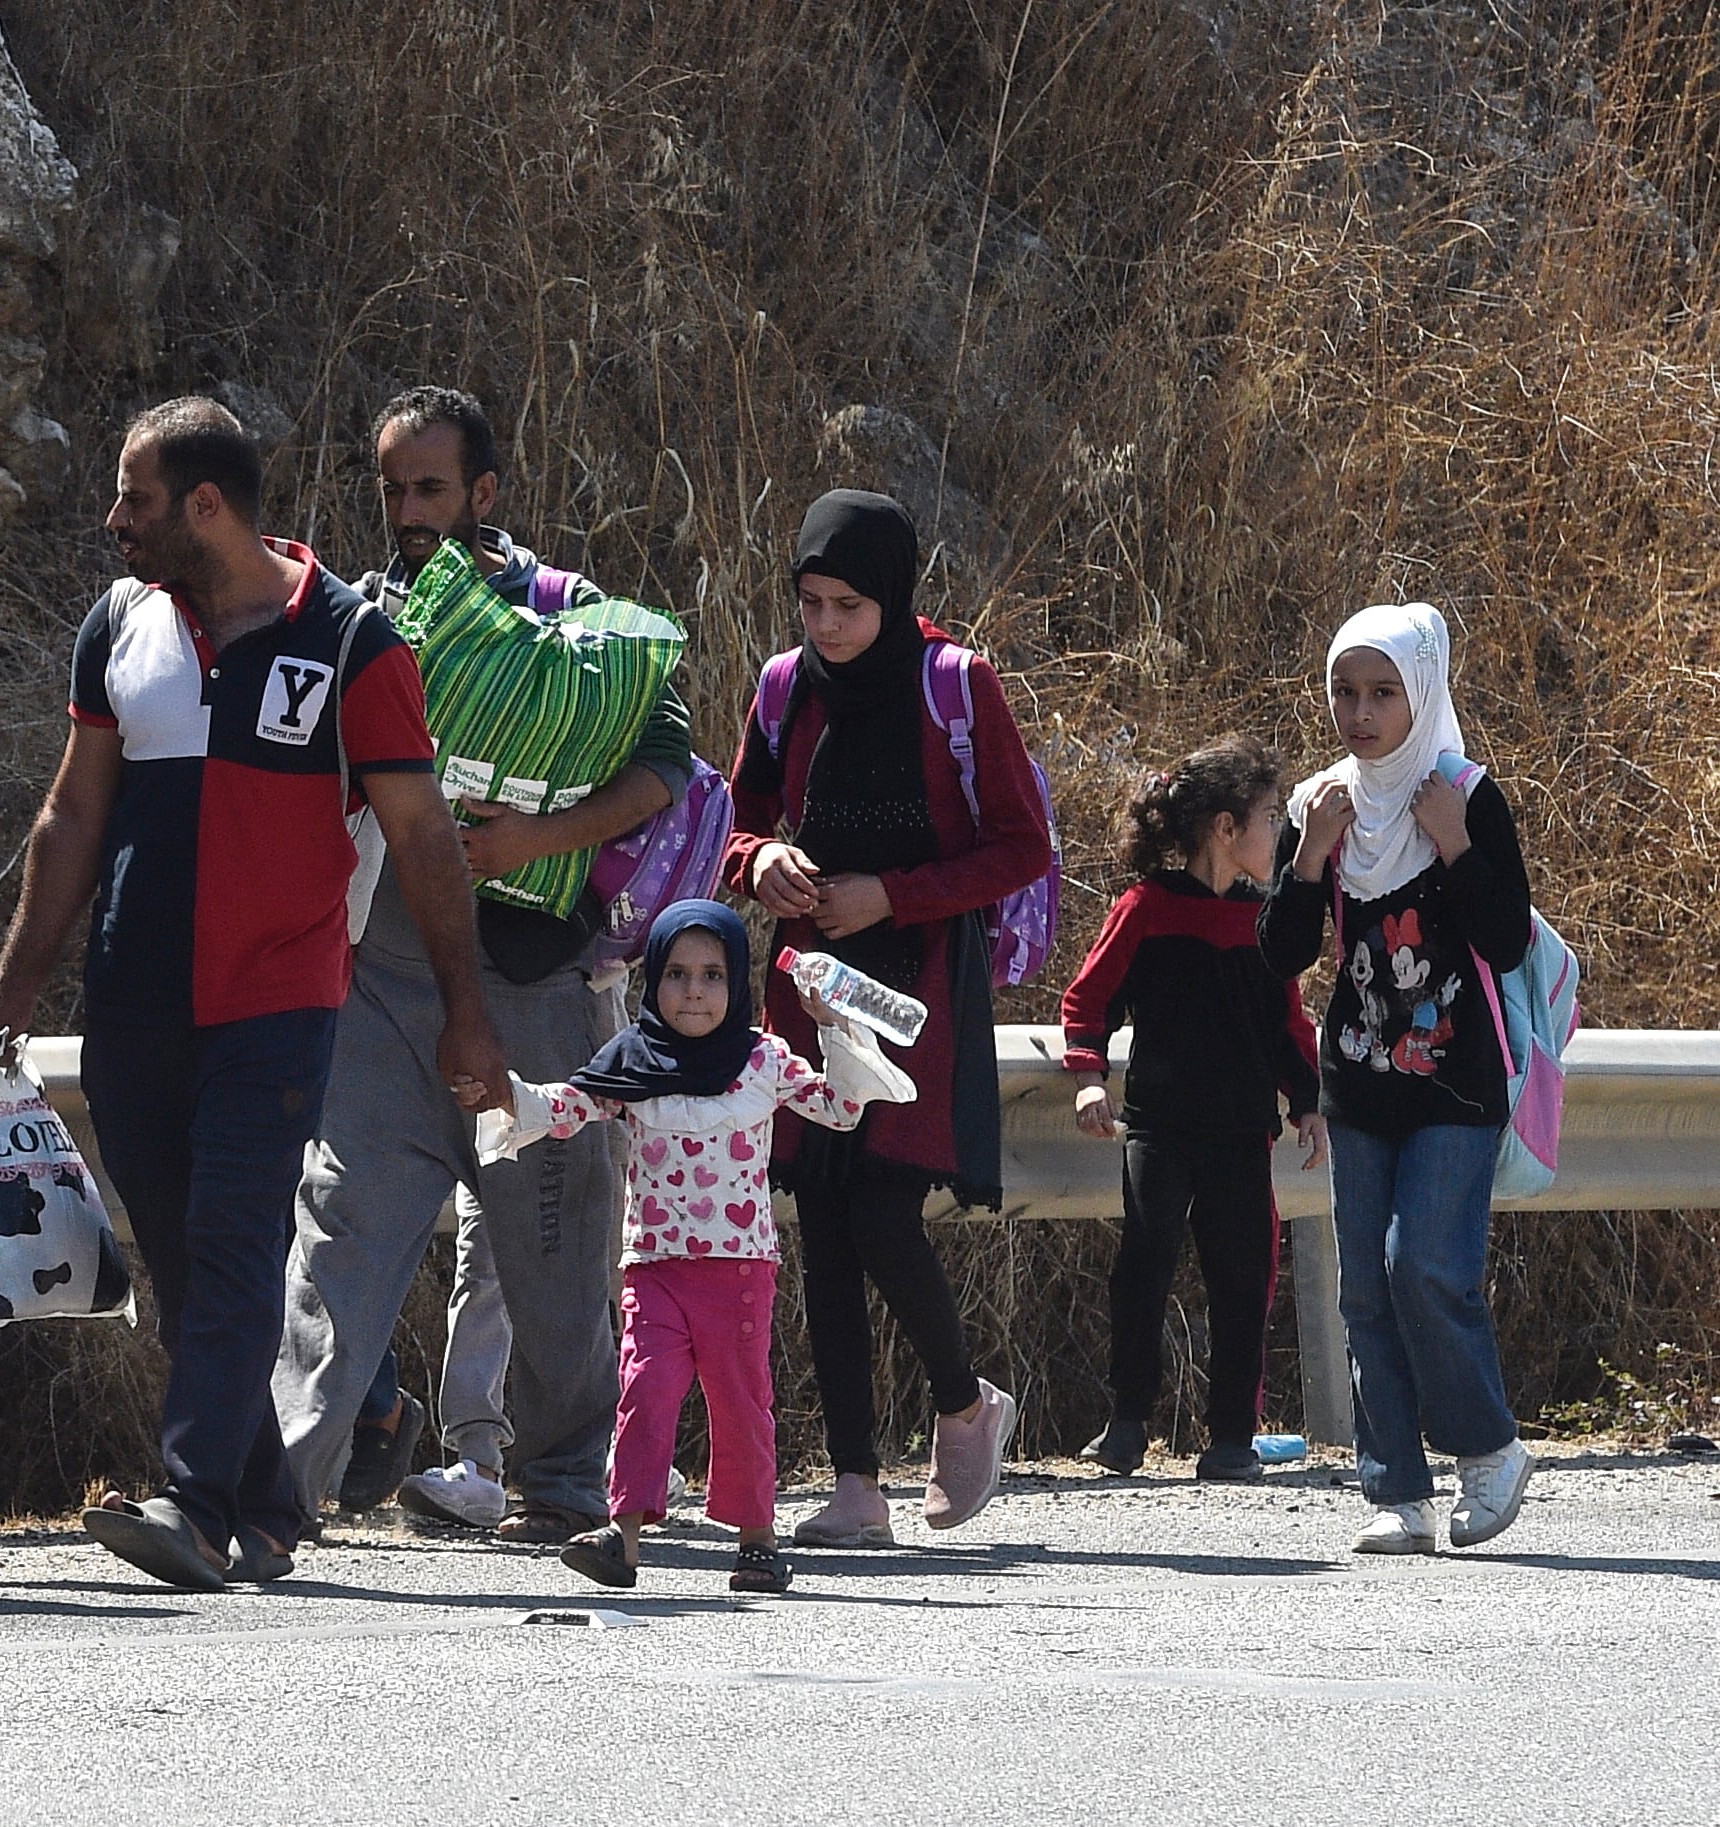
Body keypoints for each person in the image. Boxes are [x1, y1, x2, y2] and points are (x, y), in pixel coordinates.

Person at [0, 396, 509, 1591]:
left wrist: (465, 1009)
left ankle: (197, 1505)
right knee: (188, 1264)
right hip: (134, 998)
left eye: (135, 501)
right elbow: (72, 813)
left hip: (280, 998)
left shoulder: (352, 643)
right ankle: (276, 1494)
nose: (114, 523)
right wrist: (14, 989)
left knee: (234, 1238)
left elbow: (423, 841)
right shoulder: (118, 624)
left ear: (206, 506)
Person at [273, 385, 696, 1544]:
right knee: (338, 1235)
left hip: (534, 992)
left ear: (485, 493)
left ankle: (564, 1488)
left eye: (431, 488)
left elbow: (670, 759)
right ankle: (273, 1493)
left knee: (554, 1254)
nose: (410, 512)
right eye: (393, 489)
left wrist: (525, 843)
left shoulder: (567, 628)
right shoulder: (361, 620)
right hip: (385, 979)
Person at [722, 489, 1050, 1547]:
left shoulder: (955, 684)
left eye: (848, 606)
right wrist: (760, 860)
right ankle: (856, 1486)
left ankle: (962, 1405)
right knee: (819, 1224)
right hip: (809, 983)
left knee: (879, 1210)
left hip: (913, 986)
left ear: (893, 597)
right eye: (810, 603)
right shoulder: (784, 688)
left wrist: (891, 896)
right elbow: (737, 818)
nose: (824, 627)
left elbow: (1019, 845)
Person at [470, 902, 898, 1594]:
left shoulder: (763, 1060)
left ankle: (757, 1540)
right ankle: (624, 1536)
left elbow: (842, 1108)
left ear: (739, 983)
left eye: (711, 974)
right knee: (644, 1392)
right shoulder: (633, 1061)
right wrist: (509, 1098)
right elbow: (570, 1106)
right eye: (675, 973)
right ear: (652, 980)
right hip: (655, 1269)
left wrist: (833, 1027)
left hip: (739, 1274)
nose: (693, 991)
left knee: (741, 1403)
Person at [1259, 602, 1535, 1554]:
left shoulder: (1464, 791)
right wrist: (1308, 859)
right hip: (1360, 1077)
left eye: (1383, 692)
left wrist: (1454, 841)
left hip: (1457, 1080)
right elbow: (1281, 953)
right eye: (1344, 691)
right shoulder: (1321, 803)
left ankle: (1490, 1451)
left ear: (1422, 691)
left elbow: (1503, 936)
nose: (1361, 712)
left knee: (1424, 1264)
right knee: (1362, 1292)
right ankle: (1399, 1493)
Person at [1058, 737, 1327, 1482]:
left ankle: (1232, 1434)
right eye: (1271, 816)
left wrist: (1308, 1101)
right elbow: (1089, 998)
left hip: (1243, 1131)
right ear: (1224, 827)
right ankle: (1127, 1423)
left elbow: (1287, 1025)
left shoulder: (1265, 919)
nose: (1280, 832)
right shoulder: (1144, 908)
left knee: (1243, 1276)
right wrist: (1088, 1075)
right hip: (1159, 1125)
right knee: (1142, 1267)